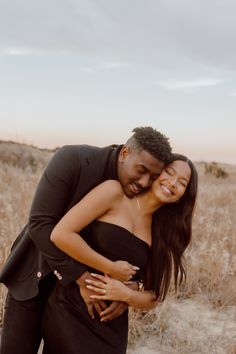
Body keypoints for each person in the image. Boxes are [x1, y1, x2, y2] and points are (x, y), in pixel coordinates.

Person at [0, 127, 172, 354]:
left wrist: (128, 289)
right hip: (36, 277)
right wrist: (81, 278)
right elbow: (40, 224)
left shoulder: (138, 193)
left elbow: (131, 247)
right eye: (141, 170)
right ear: (124, 153)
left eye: (153, 177)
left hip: (81, 306)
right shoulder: (73, 159)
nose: (143, 182)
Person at [41, 154, 198, 354]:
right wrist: (108, 269)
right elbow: (61, 235)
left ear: (183, 195)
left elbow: (153, 297)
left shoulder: (164, 232)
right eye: (169, 172)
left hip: (112, 327)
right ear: (156, 173)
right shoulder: (114, 192)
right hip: (71, 308)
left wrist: (127, 295)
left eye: (182, 183)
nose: (173, 183)